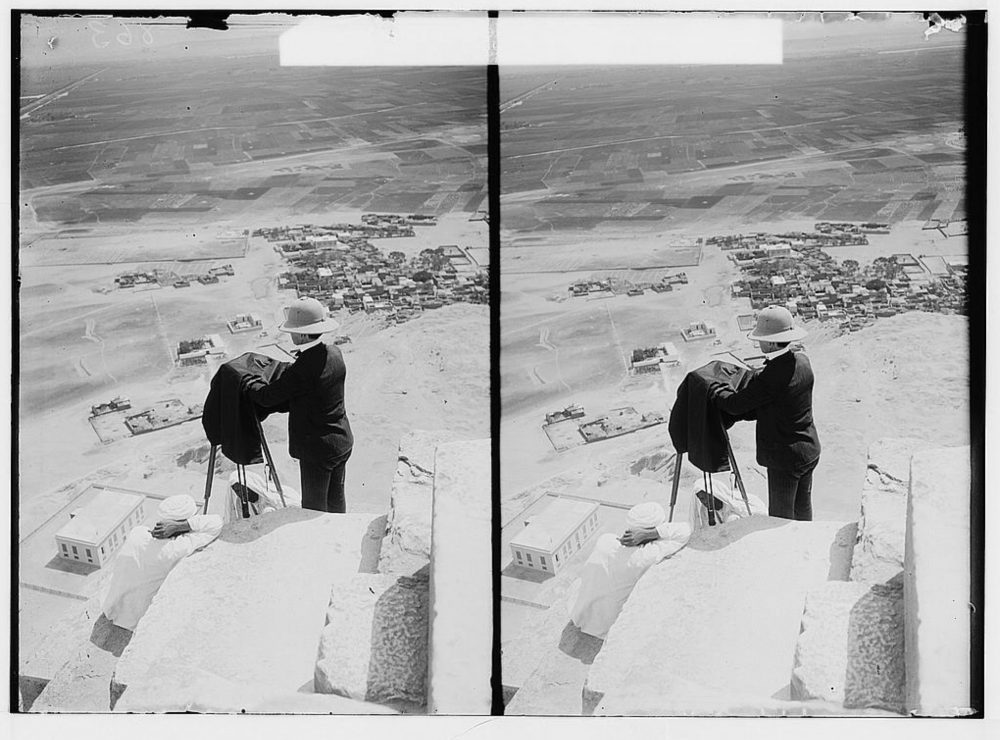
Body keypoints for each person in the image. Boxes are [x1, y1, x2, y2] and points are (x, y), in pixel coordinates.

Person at [709, 305, 821, 521]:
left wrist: (715, 389)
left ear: (770, 342)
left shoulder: (770, 376)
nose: (758, 342)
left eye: (760, 339)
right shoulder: (802, 360)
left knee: (780, 518)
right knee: (802, 509)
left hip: (785, 459)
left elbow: (734, 405)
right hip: (808, 449)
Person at [242, 297, 353, 513]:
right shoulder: (334, 353)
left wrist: (248, 382)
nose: (290, 335)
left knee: (313, 510)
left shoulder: (301, 370)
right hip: (341, 440)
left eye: (292, 331)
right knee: (336, 502)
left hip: (318, 450)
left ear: (302, 333)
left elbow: (266, 397)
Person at [570, 502, 691, 639]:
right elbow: (687, 530)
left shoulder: (605, 540)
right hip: (608, 628)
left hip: (582, 617)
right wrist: (651, 533)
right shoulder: (645, 556)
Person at [102, 495, 223, 630]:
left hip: (112, 608)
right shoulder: (176, 549)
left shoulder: (137, 533)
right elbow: (217, 523)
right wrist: (182, 526)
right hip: (136, 620)